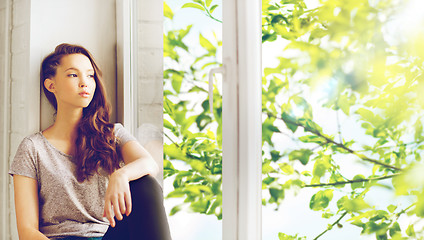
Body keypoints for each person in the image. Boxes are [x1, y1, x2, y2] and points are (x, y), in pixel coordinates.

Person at [9, 43, 171, 240]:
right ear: (51, 85)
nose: (84, 82)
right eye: (73, 75)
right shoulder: (33, 148)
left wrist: (121, 175)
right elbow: (27, 231)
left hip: (106, 235)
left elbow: (149, 164)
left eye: (90, 75)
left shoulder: (112, 133)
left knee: (146, 184)